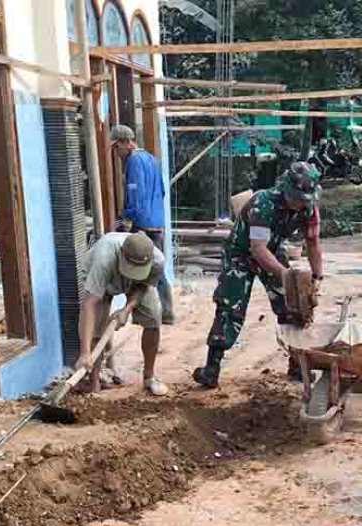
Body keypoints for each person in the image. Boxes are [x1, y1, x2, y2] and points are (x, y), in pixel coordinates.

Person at [192, 162, 324, 389]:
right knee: (230, 306)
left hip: (271, 249)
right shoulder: (263, 203)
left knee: (293, 303)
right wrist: (287, 275)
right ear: (286, 189)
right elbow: (257, 249)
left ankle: (297, 365)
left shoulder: (308, 208)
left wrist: (316, 276)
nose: (301, 202)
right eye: (297, 197)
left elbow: (312, 242)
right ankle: (211, 369)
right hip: (241, 252)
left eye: (305, 198)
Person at [76, 231, 169, 396]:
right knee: (97, 329)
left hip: (137, 284)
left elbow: (143, 285)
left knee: (153, 318)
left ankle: (149, 377)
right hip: (101, 278)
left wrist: (126, 310)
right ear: (121, 254)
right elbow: (90, 304)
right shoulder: (104, 259)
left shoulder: (157, 261)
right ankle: (94, 382)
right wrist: (84, 353)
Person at [110, 124, 174, 327]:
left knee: (140, 264)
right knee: (157, 263)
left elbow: (135, 198)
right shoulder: (150, 158)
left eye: (116, 147)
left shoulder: (134, 161)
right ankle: (167, 311)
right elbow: (162, 191)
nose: (116, 153)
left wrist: (123, 221)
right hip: (155, 221)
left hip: (142, 223)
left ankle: (150, 312)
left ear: (127, 142)